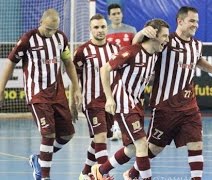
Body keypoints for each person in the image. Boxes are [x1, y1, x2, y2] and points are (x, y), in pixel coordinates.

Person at [123, 6, 212, 180]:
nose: (196, 25)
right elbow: (137, 46)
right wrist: (142, 32)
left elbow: (197, 60)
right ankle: (132, 173)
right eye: (192, 21)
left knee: (196, 143)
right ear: (180, 21)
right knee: (154, 148)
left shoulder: (197, 45)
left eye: (197, 21)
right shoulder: (165, 41)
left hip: (189, 105)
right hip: (165, 105)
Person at [0, 9, 82, 180]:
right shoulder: (27, 39)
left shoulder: (61, 38)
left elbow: (68, 63)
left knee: (67, 135)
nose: (51, 33)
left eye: (55, 29)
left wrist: (77, 88)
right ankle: (44, 177)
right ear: (41, 22)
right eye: (48, 29)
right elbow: (10, 62)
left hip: (58, 93)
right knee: (48, 134)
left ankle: (39, 158)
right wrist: (1, 89)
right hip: (37, 94)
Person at [90, 18, 170, 180]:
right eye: (165, 36)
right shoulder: (131, 52)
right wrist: (109, 99)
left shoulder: (154, 55)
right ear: (153, 35)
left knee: (132, 149)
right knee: (142, 144)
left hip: (136, 103)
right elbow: (105, 69)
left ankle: (100, 172)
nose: (167, 40)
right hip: (123, 102)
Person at [71, 14, 120, 180]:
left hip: (110, 101)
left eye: (102, 27)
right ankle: (103, 175)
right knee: (100, 137)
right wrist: (72, 101)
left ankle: (85, 173)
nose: (100, 30)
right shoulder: (82, 50)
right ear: (91, 29)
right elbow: (74, 77)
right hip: (91, 101)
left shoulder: (115, 49)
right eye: (96, 27)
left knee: (102, 136)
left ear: (107, 28)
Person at [106, 3, 137, 141]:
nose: (116, 16)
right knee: (112, 99)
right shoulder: (105, 31)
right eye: (113, 14)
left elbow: (136, 49)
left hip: (128, 71)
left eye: (118, 13)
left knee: (129, 100)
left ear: (122, 14)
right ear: (109, 16)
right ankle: (115, 127)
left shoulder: (131, 30)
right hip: (111, 70)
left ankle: (129, 127)